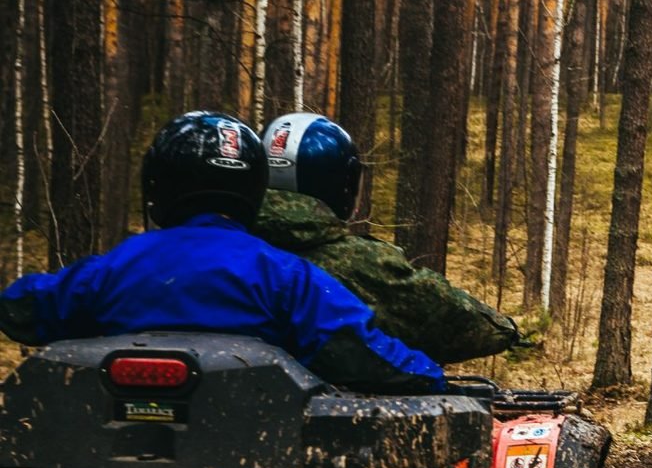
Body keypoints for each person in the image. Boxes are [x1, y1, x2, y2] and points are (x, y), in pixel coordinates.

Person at [0, 112, 444, 394]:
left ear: (157, 186)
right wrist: (435, 378)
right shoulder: (287, 276)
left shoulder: (114, 268)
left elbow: (22, 308)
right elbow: (366, 353)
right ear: (253, 187)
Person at [254, 112, 518, 364]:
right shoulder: (362, 264)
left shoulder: (225, 246)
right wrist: (508, 329)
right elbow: (452, 318)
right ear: (342, 183)